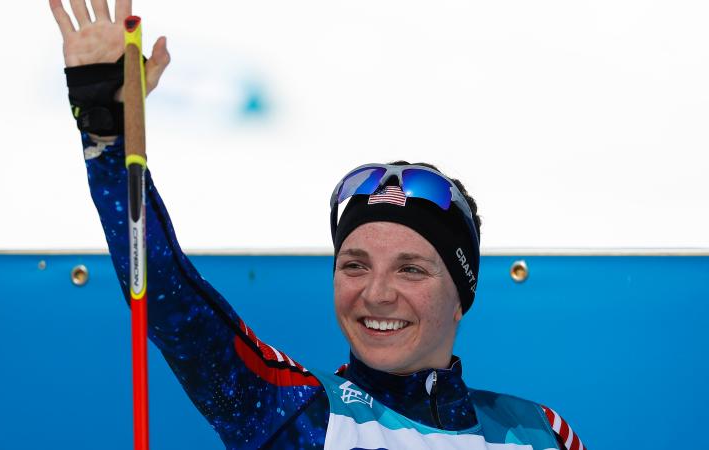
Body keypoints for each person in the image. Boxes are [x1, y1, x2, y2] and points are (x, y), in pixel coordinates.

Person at [50, 1, 586, 449]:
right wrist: (108, 135)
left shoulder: (540, 433)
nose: (377, 293)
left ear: (460, 295)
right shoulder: (299, 416)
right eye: (355, 265)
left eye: (411, 270)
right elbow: (172, 304)